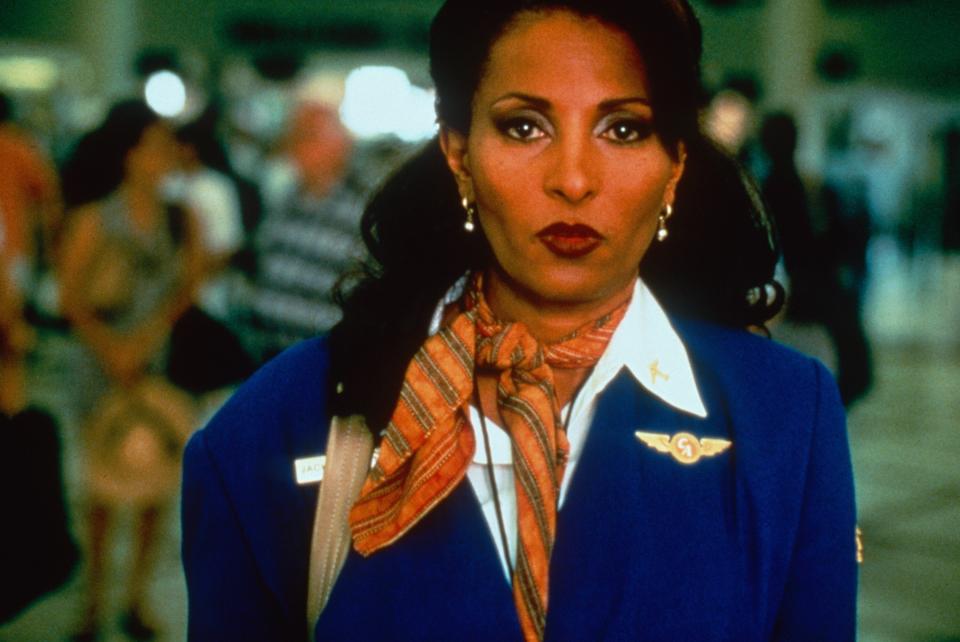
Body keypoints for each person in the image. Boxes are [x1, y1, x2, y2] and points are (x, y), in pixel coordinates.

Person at [182, 1, 858, 641]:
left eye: (622, 128)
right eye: (524, 126)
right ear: (458, 155)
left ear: (674, 168)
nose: (572, 178)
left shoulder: (787, 420)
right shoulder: (272, 428)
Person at [59, 100, 203, 641]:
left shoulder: (177, 216)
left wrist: (146, 340)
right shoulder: (95, 217)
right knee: (101, 486)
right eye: (157, 146)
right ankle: (95, 601)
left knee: (155, 482)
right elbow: (71, 297)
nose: (167, 156)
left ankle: (136, 596)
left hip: (158, 364)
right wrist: (113, 349)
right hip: (102, 368)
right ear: (130, 154)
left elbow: (186, 285)